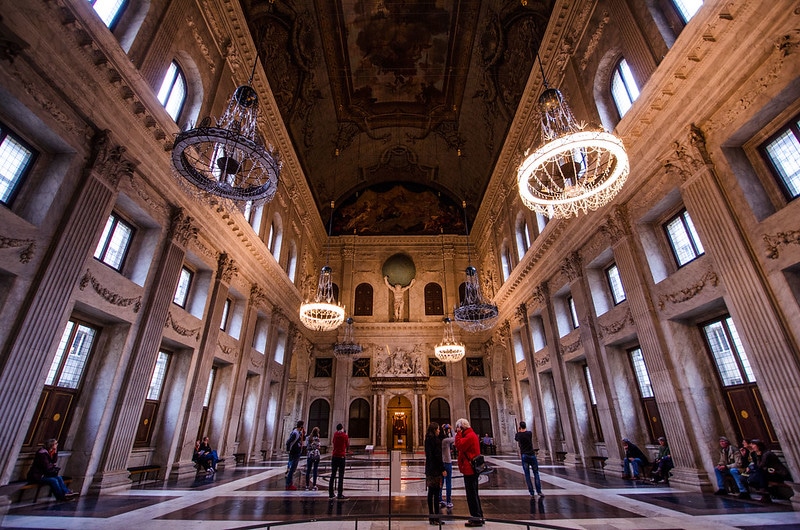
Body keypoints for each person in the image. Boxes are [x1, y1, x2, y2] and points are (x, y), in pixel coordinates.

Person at [455, 417, 484, 527]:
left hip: (470, 469)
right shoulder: (471, 435)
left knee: (471, 494)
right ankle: (479, 516)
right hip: (471, 468)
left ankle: (476, 518)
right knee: (474, 493)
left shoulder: (469, 436)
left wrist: (458, 434)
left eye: (458, 428)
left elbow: (459, 445)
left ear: (462, 427)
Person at [746, 438, 792, 503]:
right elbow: (757, 465)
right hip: (768, 474)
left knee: (758, 474)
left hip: (778, 474)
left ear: (758, 445)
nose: (752, 446)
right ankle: (765, 493)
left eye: (753, 445)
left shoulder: (766, 454)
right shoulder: (757, 454)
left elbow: (760, 466)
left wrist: (758, 456)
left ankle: (764, 491)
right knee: (750, 477)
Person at [425, 422, 446, 525]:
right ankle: (437, 517)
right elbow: (438, 456)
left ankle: (431, 516)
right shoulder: (435, 441)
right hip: (436, 470)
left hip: (429, 469)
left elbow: (429, 455)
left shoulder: (427, 439)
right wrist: (442, 469)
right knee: (437, 493)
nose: (439, 431)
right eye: (438, 429)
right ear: (434, 430)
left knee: (430, 493)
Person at [514, 421, 543, 497]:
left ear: (520, 427)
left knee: (527, 475)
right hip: (532, 455)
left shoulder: (519, 435)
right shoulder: (529, 433)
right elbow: (524, 432)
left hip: (524, 456)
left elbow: (516, 438)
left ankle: (531, 492)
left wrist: (518, 431)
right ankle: (539, 491)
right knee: (536, 473)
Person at [329, 423, 349, 500]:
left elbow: (333, 442)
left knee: (333, 475)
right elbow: (347, 445)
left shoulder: (335, 434)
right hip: (341, 457)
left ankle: (331, 493)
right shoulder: (344, 435)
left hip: (334, 456)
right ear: (342, 428)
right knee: (341, 476)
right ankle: (339, 494)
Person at [438, 423, 455, 508]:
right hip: (447, 462)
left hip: (440, 463)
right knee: (448, 482)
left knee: (441, 482)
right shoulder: (446, 440)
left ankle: (440, 498)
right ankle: (448, 501)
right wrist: (451, 429)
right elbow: (454, 438)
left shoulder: (438, 440)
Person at [285, 420, 304, 490]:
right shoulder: (295, 433)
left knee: (293, 469)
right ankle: (288, 484)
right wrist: (289, 450)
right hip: (294, 453)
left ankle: (289, 483)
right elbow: (289, 441)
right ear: (301, 426)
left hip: (295, 452)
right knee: (292, 469)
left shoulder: (298, 432)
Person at [305, 426, 321, 490]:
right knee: (315, 470)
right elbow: (319, 447)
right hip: (316, 455)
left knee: (308, 470)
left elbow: (307, 447)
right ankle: (314, 485)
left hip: (310, 455)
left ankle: (307, 485)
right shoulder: (317, 439)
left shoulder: (308, 438)